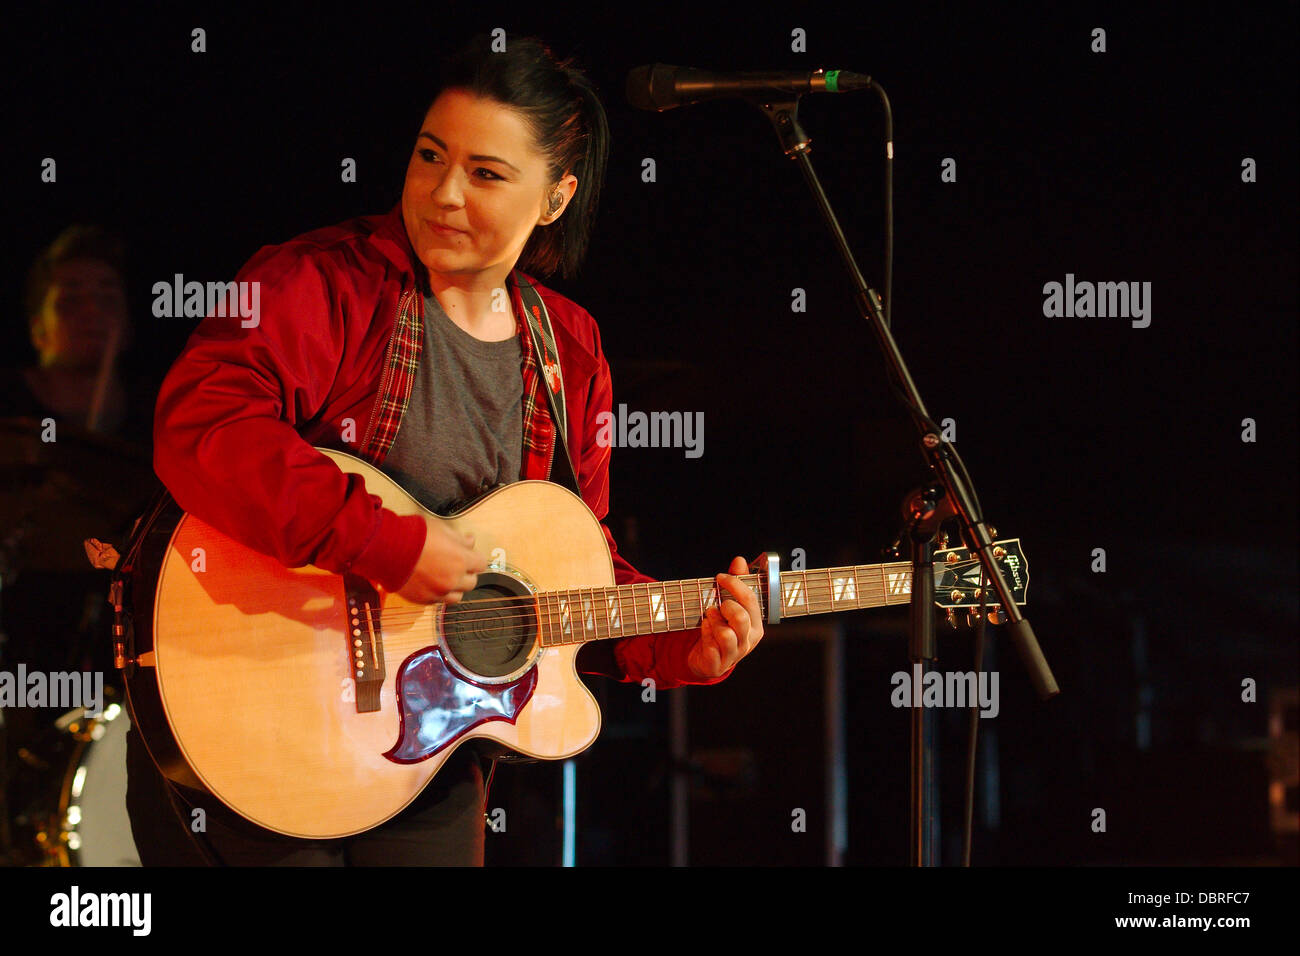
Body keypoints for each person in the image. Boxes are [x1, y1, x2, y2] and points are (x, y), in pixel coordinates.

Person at [125, 34, 765, 866]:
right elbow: (202, 430)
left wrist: (681, 643)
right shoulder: (315, 283)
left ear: (556, 197)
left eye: (486, 173)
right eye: (431, 157)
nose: (443, 193)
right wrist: (385, 542)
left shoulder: (569, 348)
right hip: (251, 710)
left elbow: (568, 575)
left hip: (426, 750)